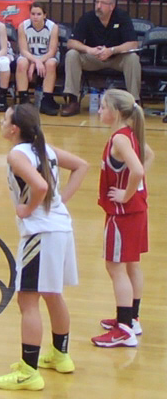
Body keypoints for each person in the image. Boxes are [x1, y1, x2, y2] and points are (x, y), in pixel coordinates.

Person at [0, 105, 87, 391]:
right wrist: (60, 201)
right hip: (60, 228)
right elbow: (82, 165)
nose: (2, 122)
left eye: (5, 119)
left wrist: (28, 208)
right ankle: (60, 355)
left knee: (27, 301)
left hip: (41, 233)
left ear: (14, 129)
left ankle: (29, 372)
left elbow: (41, 186)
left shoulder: (17, 155)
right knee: (52, 295)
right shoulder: (45, 149)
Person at [91, 89, 152, 348]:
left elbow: (138, 169)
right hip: (137, 210)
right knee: (131, 265)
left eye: (103, 107)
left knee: (115, 267)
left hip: (123, 214)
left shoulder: (120, 139)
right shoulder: (130, 133)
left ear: (115, 111)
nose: (99, 111)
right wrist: (133, 189)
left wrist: (126, 194)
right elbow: (149, 156)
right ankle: (131, 318)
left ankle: (124, 329)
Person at [58, 0, 141, 117]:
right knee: (72, 54)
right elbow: (71, 42)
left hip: (116, 58)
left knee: (133, 58)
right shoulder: (88, 17)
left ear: (112, 6)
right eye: (96, 2)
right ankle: (73, 100)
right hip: (94, 58)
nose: (98, 6)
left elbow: (133, 44)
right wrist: (89, 50)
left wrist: (112, 50)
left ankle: (134, 103)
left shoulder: (122, 17)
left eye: (102, 3)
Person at [16, 5, 61, 115]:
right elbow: (23, 50)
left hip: (47, 56)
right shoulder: (22, 26)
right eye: (33, 14)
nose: (35, 17)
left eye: (39, 14)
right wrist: (35, 62)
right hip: (29, 56)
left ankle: (46, 101)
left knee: (50, 64)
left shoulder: (53, 27)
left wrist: (39, 61)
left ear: (45, 15)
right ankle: (24, 100)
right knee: (21, 63)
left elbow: (52, 51)